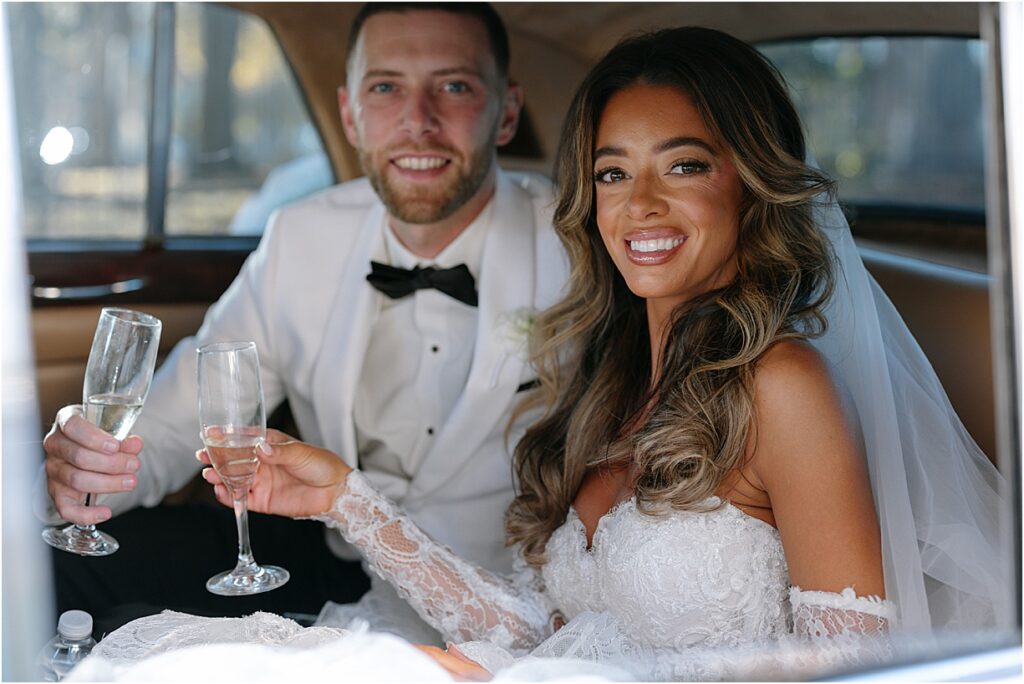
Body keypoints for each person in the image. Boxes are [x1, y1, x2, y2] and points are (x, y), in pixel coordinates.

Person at [116, 25, 1001, 681]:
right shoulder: (615, 378)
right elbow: (550, 630)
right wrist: (346, 501)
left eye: (684, 166)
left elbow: (855, 665)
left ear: (752, 181)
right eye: (614, 173)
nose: (640, 205)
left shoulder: (785, 387)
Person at [35, 2, 567, 642]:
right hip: (335, 564)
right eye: (386, 88)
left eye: (454, 86)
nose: (417, 122)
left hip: (497, 593)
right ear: (350, 113)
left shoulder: (577, 241)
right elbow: (179, 422)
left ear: (506, 112)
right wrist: (89, 474)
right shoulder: (300, 238)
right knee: (49, 571)